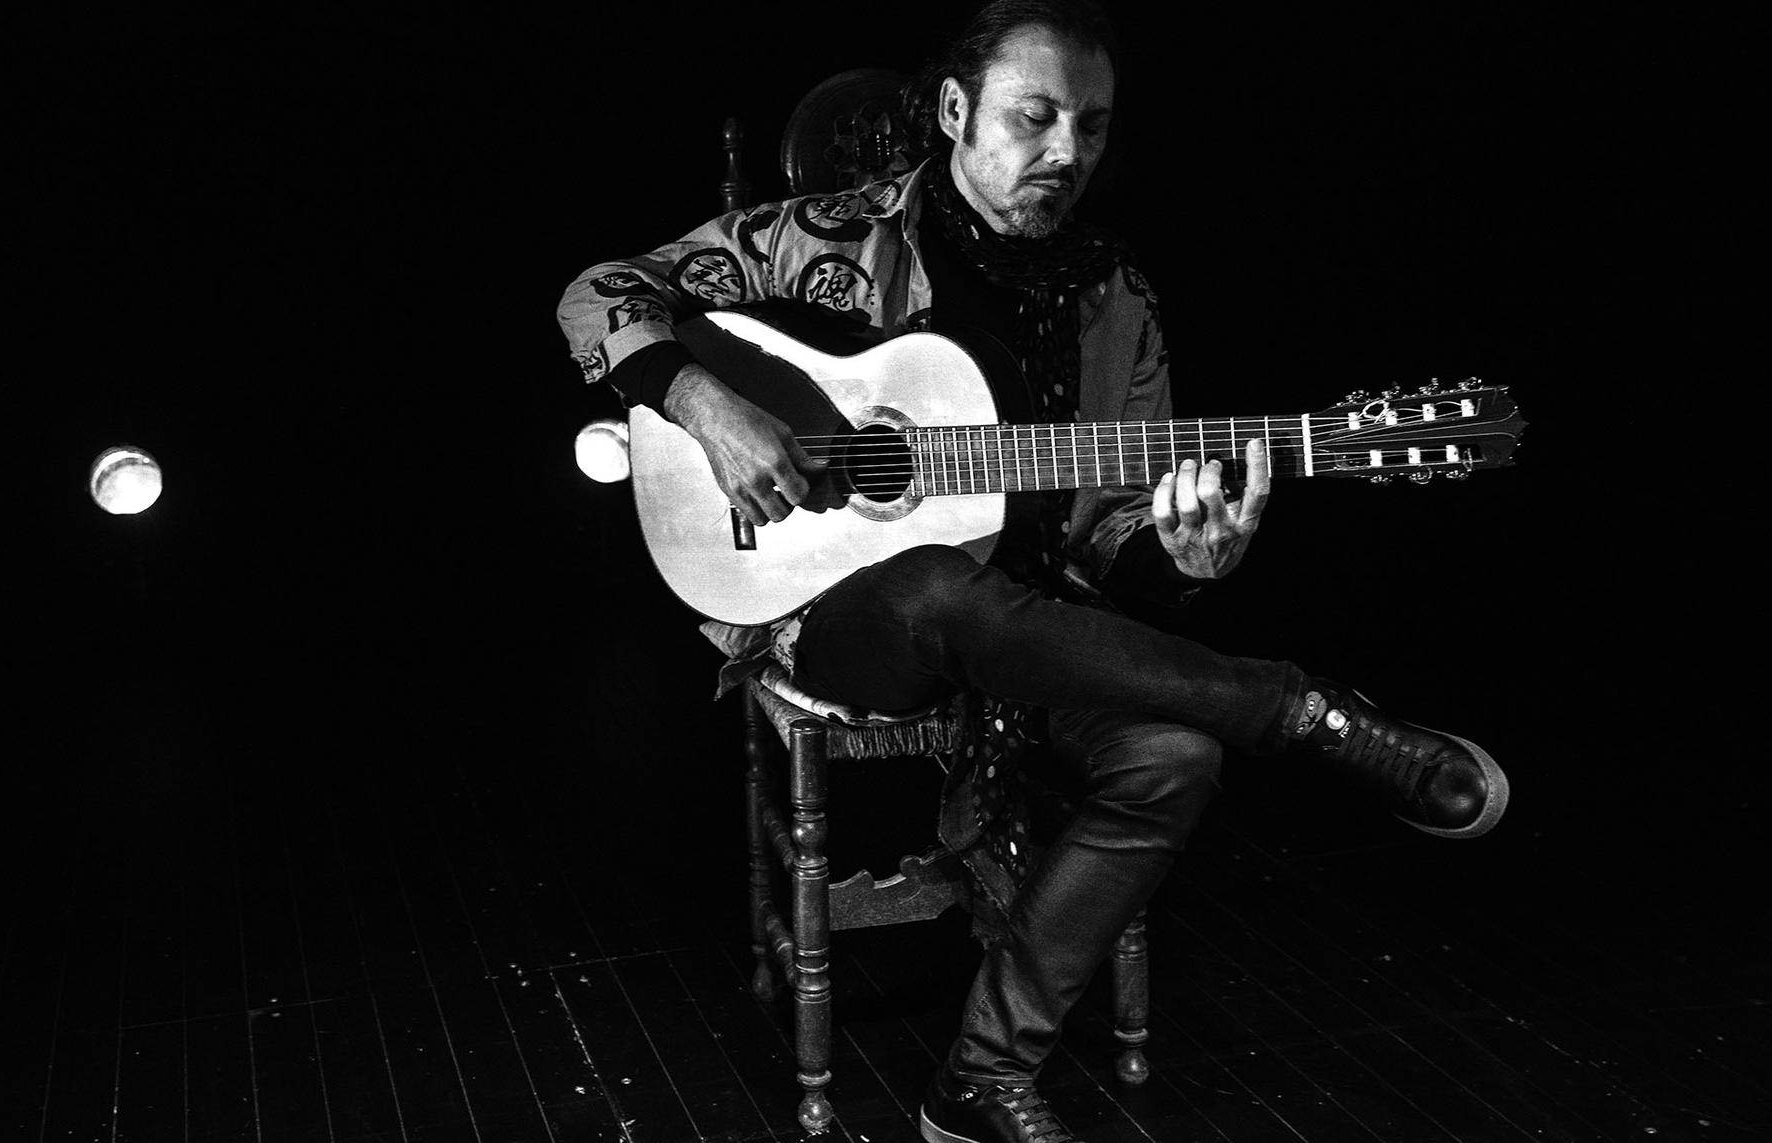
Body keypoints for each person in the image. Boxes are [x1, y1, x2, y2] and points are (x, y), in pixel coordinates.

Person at [556, 3, 1509, 1140]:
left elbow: (1112, 543)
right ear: (956, 112)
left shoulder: (1116, 299)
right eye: (1034, 115)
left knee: (1173, 755)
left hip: (1045, 626)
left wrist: (1181, 557)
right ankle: (1300, 711)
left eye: (1092, 127)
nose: (1065, 151)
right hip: (836, 615)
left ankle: (977, 1078)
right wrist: (707, 407)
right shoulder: (822, 238)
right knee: (932, 588)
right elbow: (594, 292)